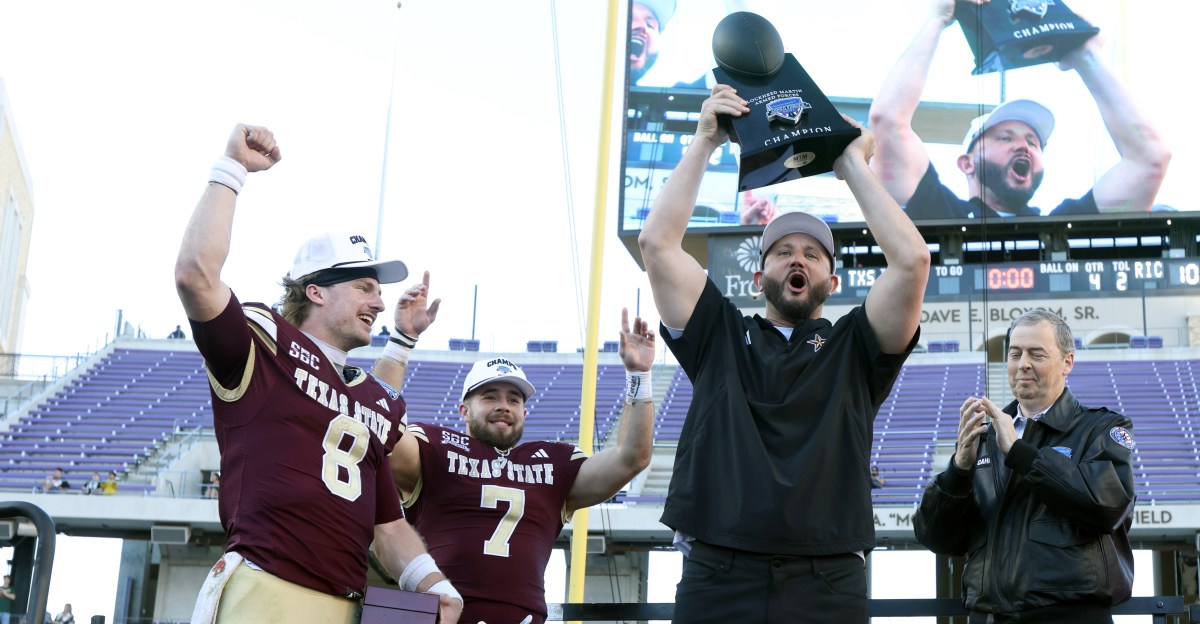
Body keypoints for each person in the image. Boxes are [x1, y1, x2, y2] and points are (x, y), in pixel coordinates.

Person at [637, 84, 929, 623]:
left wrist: (850, 165)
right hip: (719, 569)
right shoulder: (719, 334)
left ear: (832, 279)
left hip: (828, 575)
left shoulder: (855, 345)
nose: (799, 258)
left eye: (814, 254)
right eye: (784, 251)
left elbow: (911, 261)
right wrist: (704, 142)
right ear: (758, 276)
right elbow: (657, 243)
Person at [176, 124, 460, 624]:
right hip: (267, 586)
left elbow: (388, 526)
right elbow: (196, 276)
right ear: (315, 291)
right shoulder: (264, 346)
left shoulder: (374, 399)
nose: (378, 300)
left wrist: (434, 585)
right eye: (365, 286)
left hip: (349, 604)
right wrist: (232, 169)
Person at [385, 309, 655, 624]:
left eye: (514, 399)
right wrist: (402, 342)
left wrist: (639, 377)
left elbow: (632, 457)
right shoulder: (435, 448)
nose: (504, 405)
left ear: (525, 413)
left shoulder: (555, 463)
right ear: (464, 410)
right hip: (437, 616)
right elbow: (382, 430)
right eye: (490, 396)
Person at [914, 311, 1135, 623]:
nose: (1023, 363)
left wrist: (1020, 453)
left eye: (1037, 353)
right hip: (988, 615)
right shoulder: (983, 435)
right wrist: (959, 468)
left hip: (1069, 616)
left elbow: (1108, 504)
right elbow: (936, 538)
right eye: (1015, 353)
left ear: (1067, 363)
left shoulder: (1100, 428)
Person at [868, 0, 1170, 220]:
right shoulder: (936, 210)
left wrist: (1085, 54)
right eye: (1005, 138)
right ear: (966, 163)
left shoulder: (1068, 225)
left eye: (1033, 141)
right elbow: (888, 120)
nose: (1024, 146)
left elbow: (1151, 158)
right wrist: (938, 19)